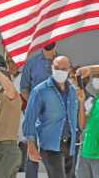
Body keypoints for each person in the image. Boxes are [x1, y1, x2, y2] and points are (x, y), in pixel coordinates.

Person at [23, 56, 85, 178]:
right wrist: (31, 145)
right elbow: (29, 119)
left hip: (71, 145)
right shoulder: (40, 90)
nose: (60, 71)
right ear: (51, 68)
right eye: (57, 68)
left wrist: (81, 102)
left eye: (63, 68)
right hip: (50, 145)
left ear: (69, 70)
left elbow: (78, 121)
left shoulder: (73, 91)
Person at [20, 42, 57, 178]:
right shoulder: (31, 63)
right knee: (32, 149)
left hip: (56, 113)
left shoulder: (62, 62)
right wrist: (36, 104)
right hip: (35, 113)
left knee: (56, 151)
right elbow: (24, 89)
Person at [75, 65, 99, 178]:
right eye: (95, 77)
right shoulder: (93, 101)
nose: (96, 80)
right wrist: (81, 102)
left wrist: (89, 70)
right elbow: (82, 125)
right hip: (85, 153)